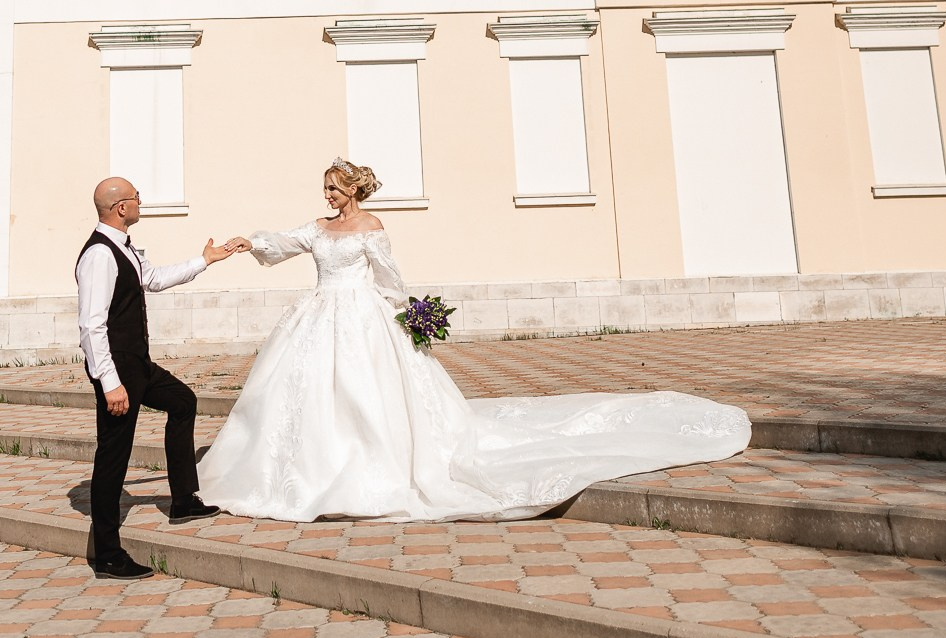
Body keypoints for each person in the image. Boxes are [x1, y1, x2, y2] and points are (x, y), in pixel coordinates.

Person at [198, 158, 750, 522]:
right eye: (324, 188)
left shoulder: (371, 229)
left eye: (334, 188)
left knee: (367, 391)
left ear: (352, 190)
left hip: (361, 316)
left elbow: (390, 279)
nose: (327, 194)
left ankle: (369, 462)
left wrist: (407, 318)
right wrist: (252, 242)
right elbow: (287, 243)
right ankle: (302, 463)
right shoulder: (317, 227)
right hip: (319, 314)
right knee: (304, 391)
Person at [76, 175, 243, 578]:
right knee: (113, 458)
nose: (140, 203)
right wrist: (109, 381)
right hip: (118, 371)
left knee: (183, 402)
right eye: (136, 198)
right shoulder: (99, 255)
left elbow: (153, 280)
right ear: (120, 208)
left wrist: (205, 260)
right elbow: (91, 325)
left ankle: (183, 499)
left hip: (139, 366)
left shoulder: (125, 248)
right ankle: (107, 554)